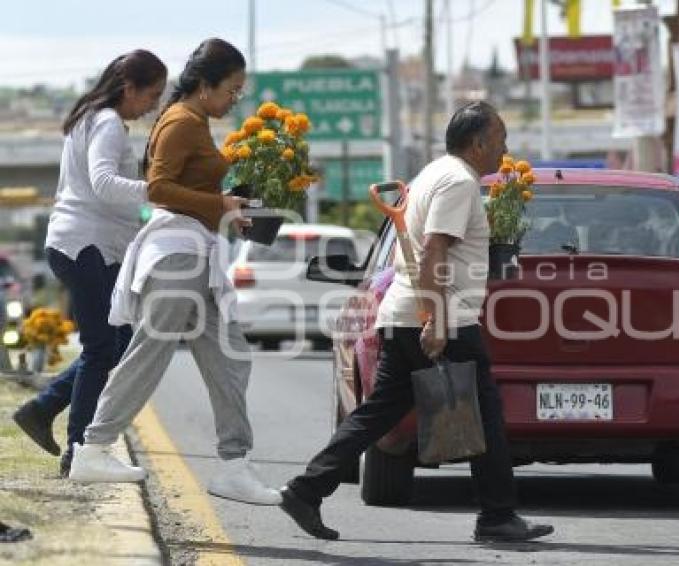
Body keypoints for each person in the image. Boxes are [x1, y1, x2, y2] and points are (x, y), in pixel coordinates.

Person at [278, 102, 554, 542]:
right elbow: (434, 251)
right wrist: (437, 320)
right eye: (501, 138)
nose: (506, 148)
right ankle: (498, 516)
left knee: (377, 413)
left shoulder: (434, 172)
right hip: (439, 318)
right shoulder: (458, 182)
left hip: (406, 314)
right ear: (478, 143)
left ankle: (305, 489)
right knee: (485, 414)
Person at [68, 38, 280, 506]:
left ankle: (233, 466)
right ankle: (95, 445)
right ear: (204, 86)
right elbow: (160, 187)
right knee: (151, 351)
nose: (234, 99)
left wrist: (228, 210)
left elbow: (187, 188)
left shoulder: (196, 121)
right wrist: (219, 203)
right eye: (231, 89)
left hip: (197, 253)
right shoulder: (182, 122)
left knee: (231, 356)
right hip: (175, 255)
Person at [13, 51, 168, 476]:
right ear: (129, 87)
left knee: (116, 342)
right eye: (151, 95)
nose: (153, 105)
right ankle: (78, 452)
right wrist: (157, 190)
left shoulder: (92, 118)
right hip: (85, 246)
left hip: (89, 246)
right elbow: (102, 183)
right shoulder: (106, 124)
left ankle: (42, 410)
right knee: (103, 347)